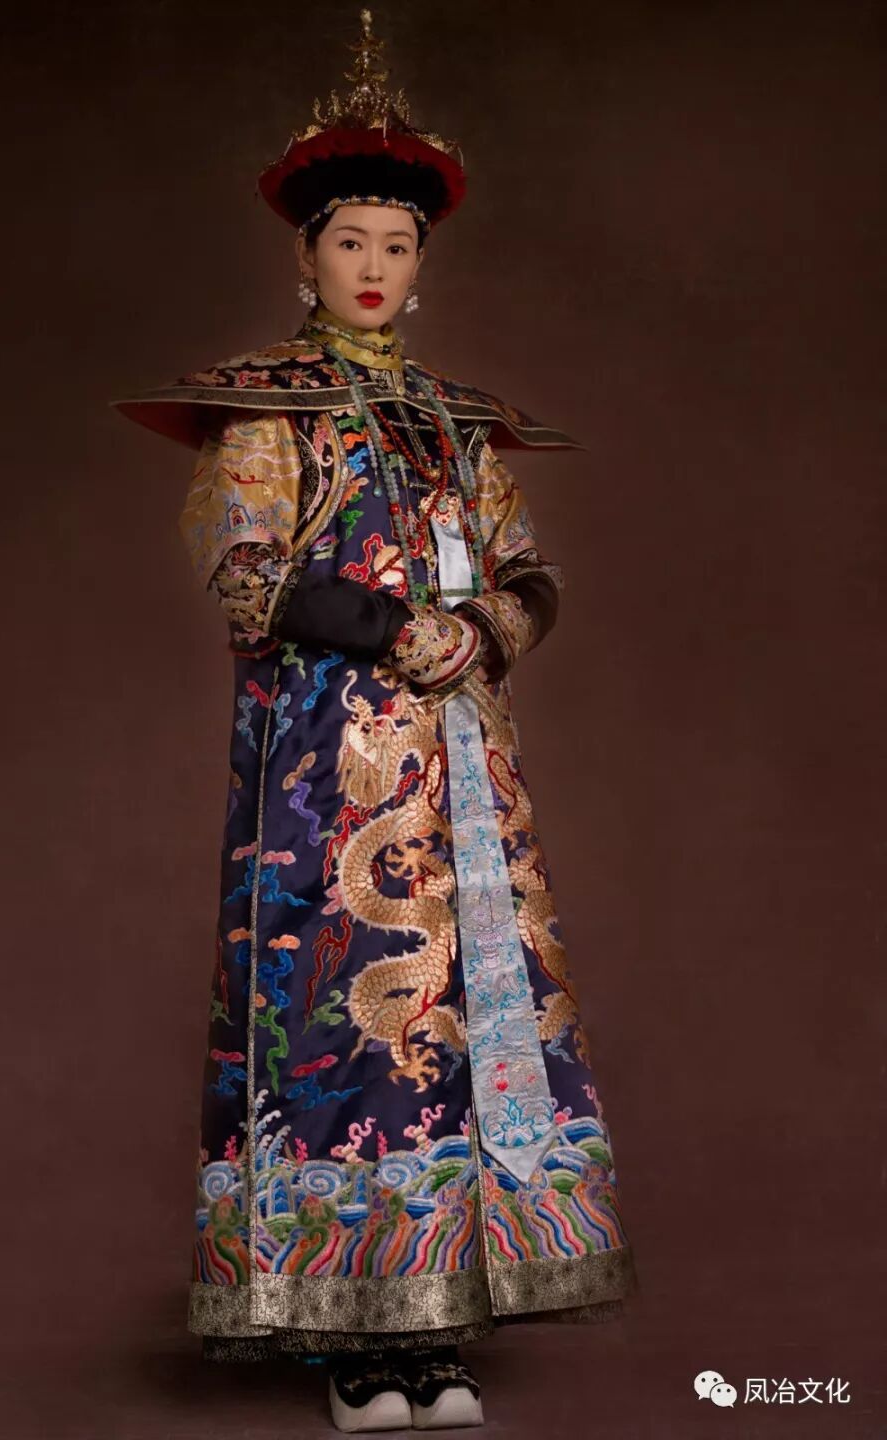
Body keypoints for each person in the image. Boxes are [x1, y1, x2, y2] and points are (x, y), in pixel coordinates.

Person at [112, 9, 636, 1430]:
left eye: (397, 247)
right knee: (338, 1024)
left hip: (464, 766)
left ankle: (437, 1325)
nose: (374, 268)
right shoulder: (268, 409)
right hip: (327, 771)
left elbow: (530, 570)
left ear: (421, 265)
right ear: (306, 256)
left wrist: (488, 628)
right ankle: (348, 1338)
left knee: (465, 1028)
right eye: (351, 242)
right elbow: (245, 573)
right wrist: (396, 630)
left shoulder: (459, 423)